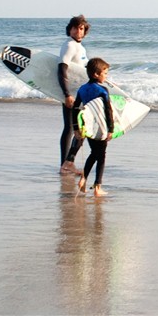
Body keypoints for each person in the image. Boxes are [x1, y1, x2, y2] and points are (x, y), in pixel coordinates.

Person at [73, 57, 114, 197]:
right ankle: (97, 187)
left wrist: (76, 128)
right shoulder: (102, 90)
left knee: (94, 153)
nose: (106, 76)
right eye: (105, 73)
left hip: (88, 126)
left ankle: (83, 179)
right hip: (101, 126)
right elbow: (108, 110)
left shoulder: (82, 89)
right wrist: (111, 129)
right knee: (101, 155)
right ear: (96, 74)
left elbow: (75, 108)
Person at [58, 15, 89, 175]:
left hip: (79, 92)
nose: (78, 31)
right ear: (70, 29)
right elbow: (62, 69)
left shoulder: (80, 47)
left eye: (81, 28)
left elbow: (83, 72)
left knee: (73, 128)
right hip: (72, 93)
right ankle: (66, 164)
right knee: (78, 129)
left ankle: (66, 164)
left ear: (85, 31)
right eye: (75, 28)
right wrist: (67, 94)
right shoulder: (70, 45)